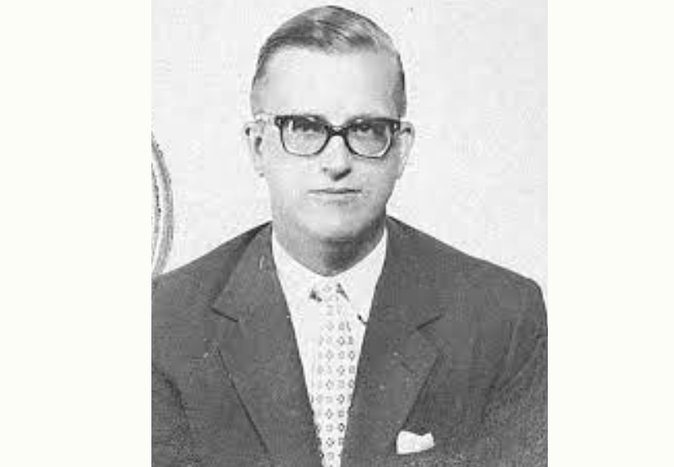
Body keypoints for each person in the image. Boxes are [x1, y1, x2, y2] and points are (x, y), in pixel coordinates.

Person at [152, 5, 547, 467]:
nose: (337, 162)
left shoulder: (503, 320)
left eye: (366, 129)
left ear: (401, 149)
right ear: (258, 146)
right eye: (304, 128)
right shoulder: (163, 321)